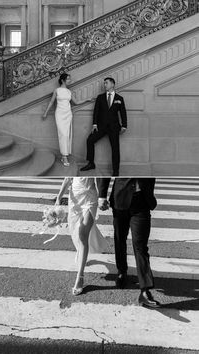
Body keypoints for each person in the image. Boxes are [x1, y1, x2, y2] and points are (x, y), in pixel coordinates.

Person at [97, 178, 161, 308]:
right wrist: (101, 195)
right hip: (121, 198)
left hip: (142, 200)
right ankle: (122, 271)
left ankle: (145, 291)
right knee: (120, 239)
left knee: (141, 246)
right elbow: (106, 169)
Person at [56, 177, 108, 295]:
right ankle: (81, 253)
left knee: (83, 234)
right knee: (75, 230)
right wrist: (59, 197)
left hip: (90, 198)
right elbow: (68, 178)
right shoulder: (72, 159)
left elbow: (100, 176)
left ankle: (80, 276)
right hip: (75, 198)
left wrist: (102, 197)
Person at [42, 73, 93, 167]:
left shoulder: (69, 92)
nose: (70, 81)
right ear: (63, 80)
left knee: (67, 135)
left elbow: (76, 102)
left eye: (70, 79)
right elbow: (51, 102)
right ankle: (64, 156)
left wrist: (87, 99)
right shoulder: (57, 90)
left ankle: (64, 155)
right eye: (68, 79)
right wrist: (45, 113)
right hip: (59, 114)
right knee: (63, 134)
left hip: (68, 114)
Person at [80, 77, 127, 176]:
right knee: (90, 140)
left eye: (106, 83)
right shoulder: (100, 97)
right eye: (104, 83)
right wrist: (94, 124)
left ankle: (115, 170)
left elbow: (123, 113)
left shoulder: (119, 98)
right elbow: (96, 112)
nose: (104, 85)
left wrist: (124, 126)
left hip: (114, 127)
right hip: (101, 126)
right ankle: (91, 163)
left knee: (115, 148)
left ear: (112, 84)